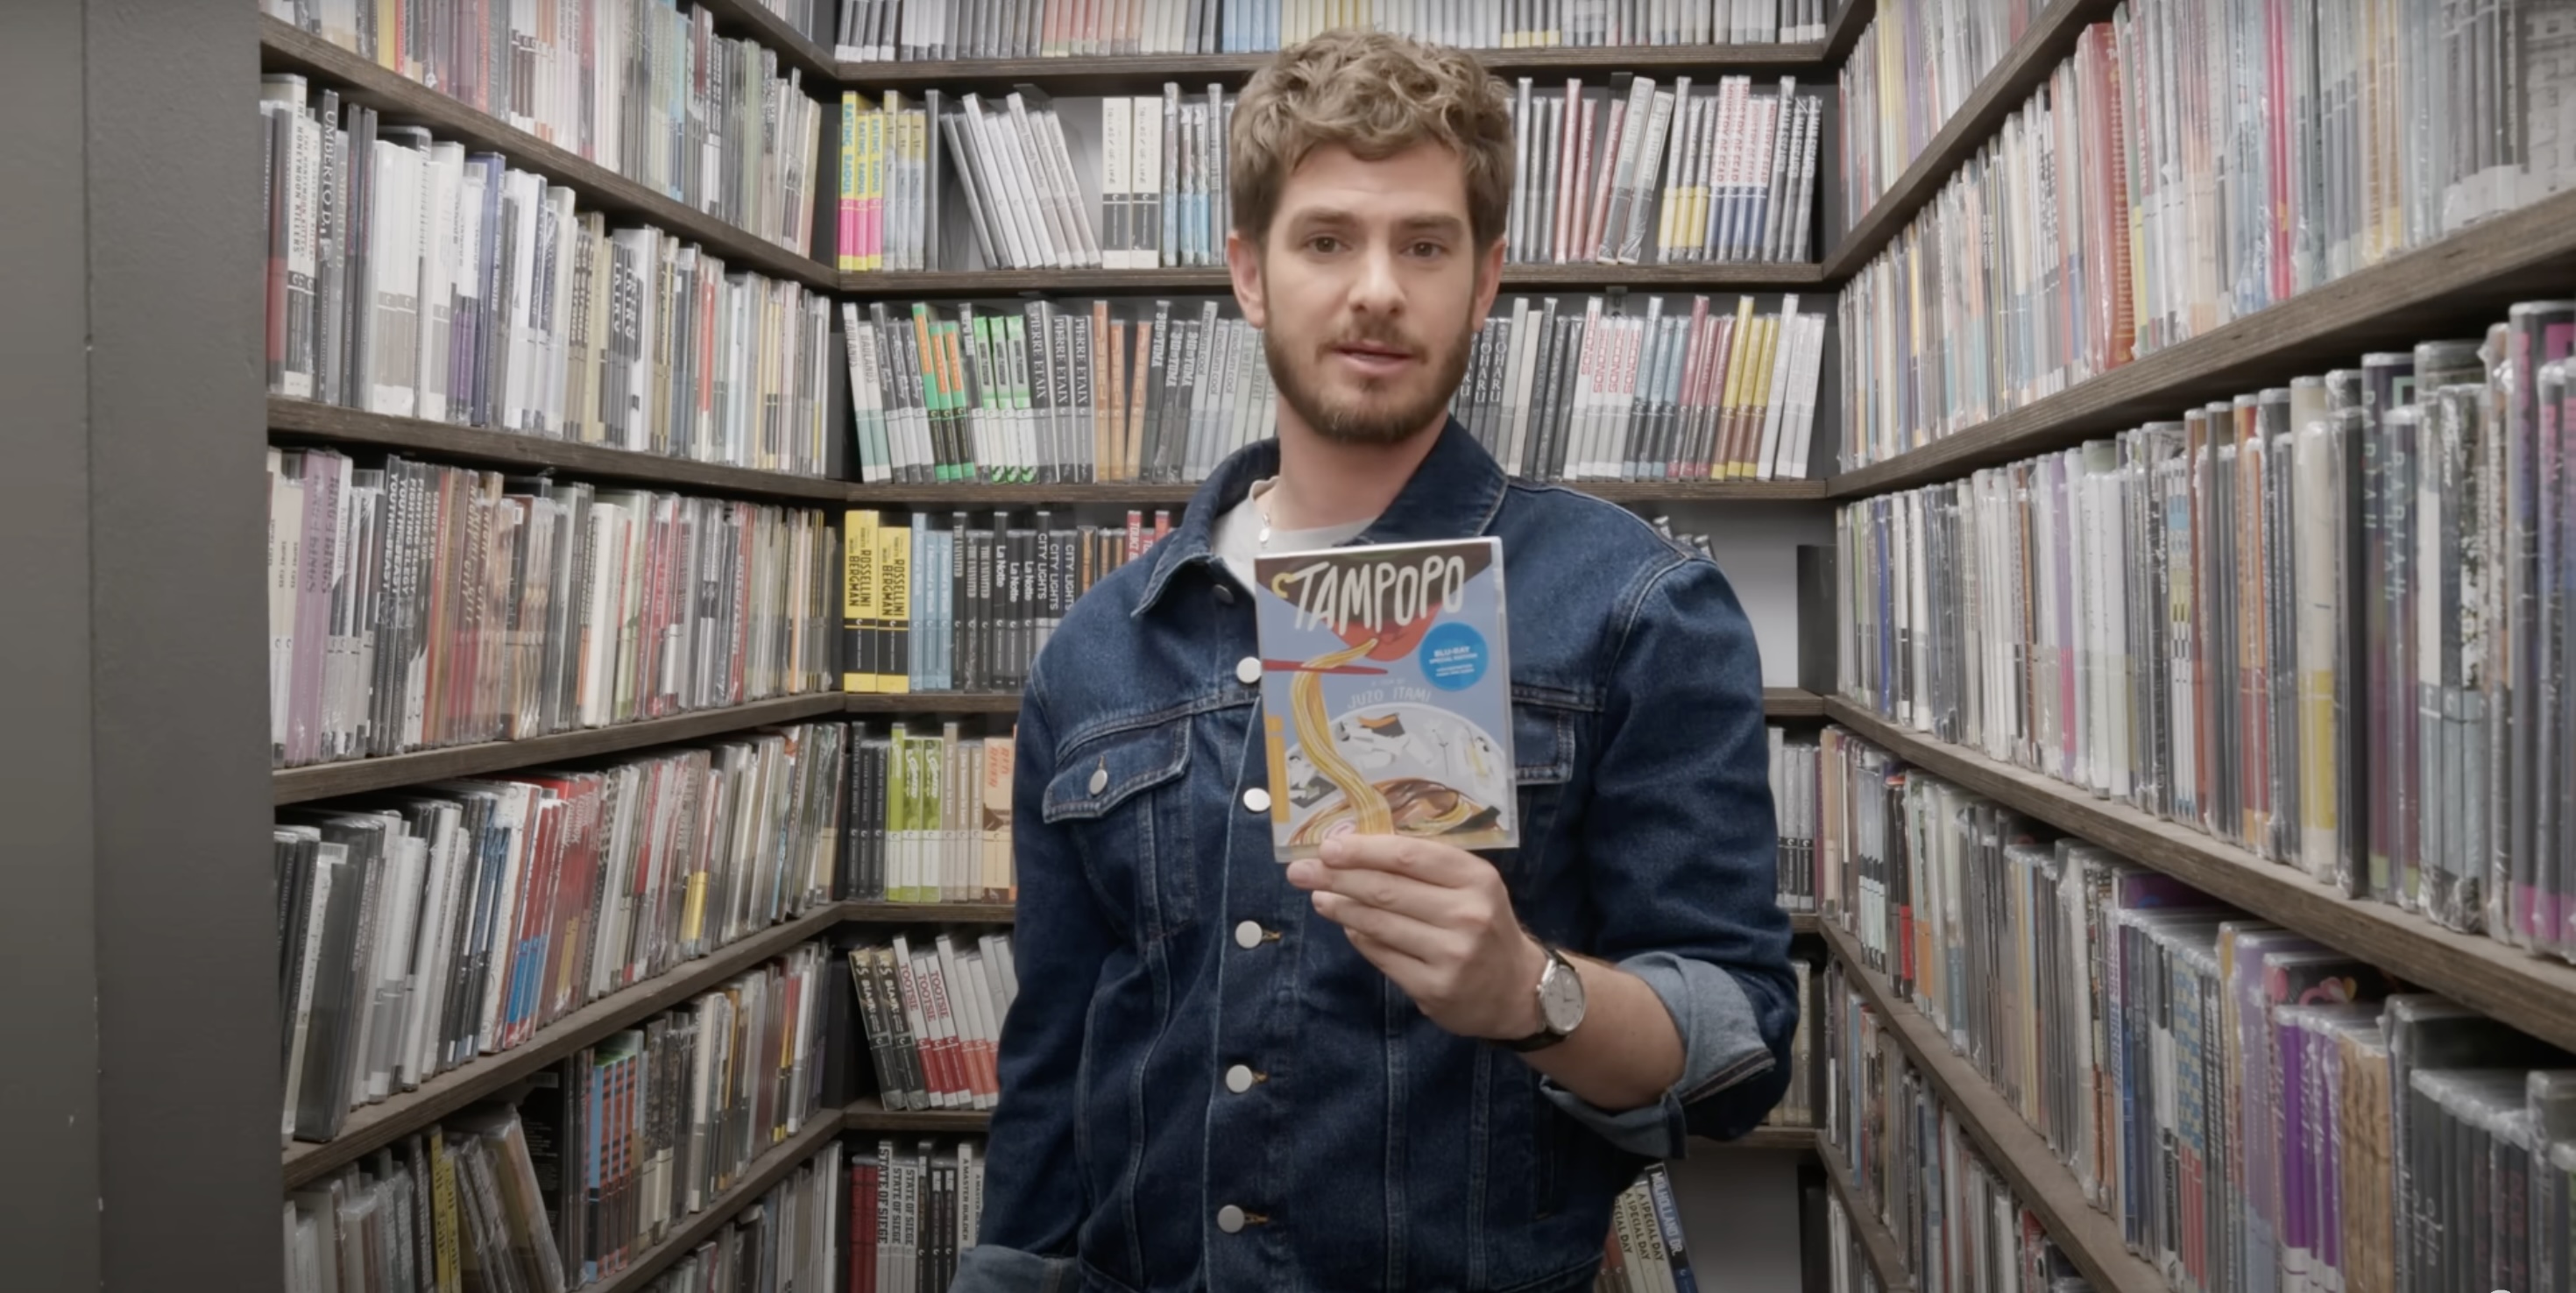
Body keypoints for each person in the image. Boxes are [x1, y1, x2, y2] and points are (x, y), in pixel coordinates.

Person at [955, 28, 1799, 1293]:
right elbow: (1059, 1054)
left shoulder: (1636, 606)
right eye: (1327, 239)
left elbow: (1740, 1044)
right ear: (1250, 272)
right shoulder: (1101, 647)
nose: (1377, 291)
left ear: (1486, 277)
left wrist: (1533, 991)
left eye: (1424, 243)